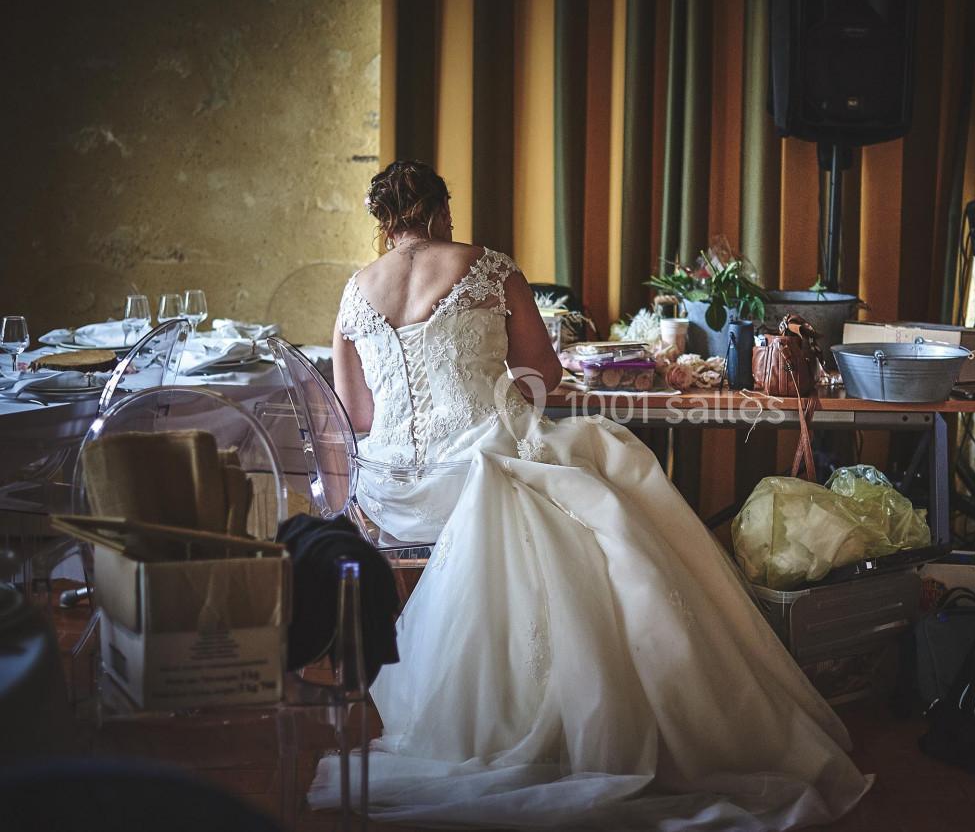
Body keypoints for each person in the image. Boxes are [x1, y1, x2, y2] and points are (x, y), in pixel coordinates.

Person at [314, 160, 871, 830]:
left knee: (576, 479)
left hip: (390, 495)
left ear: (385, 222)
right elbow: (544, 373)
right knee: (608, 478)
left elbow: (355, 413)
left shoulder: (356, 291)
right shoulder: (486, 265)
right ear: (439, 211)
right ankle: (607, 703)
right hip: (473, 474)